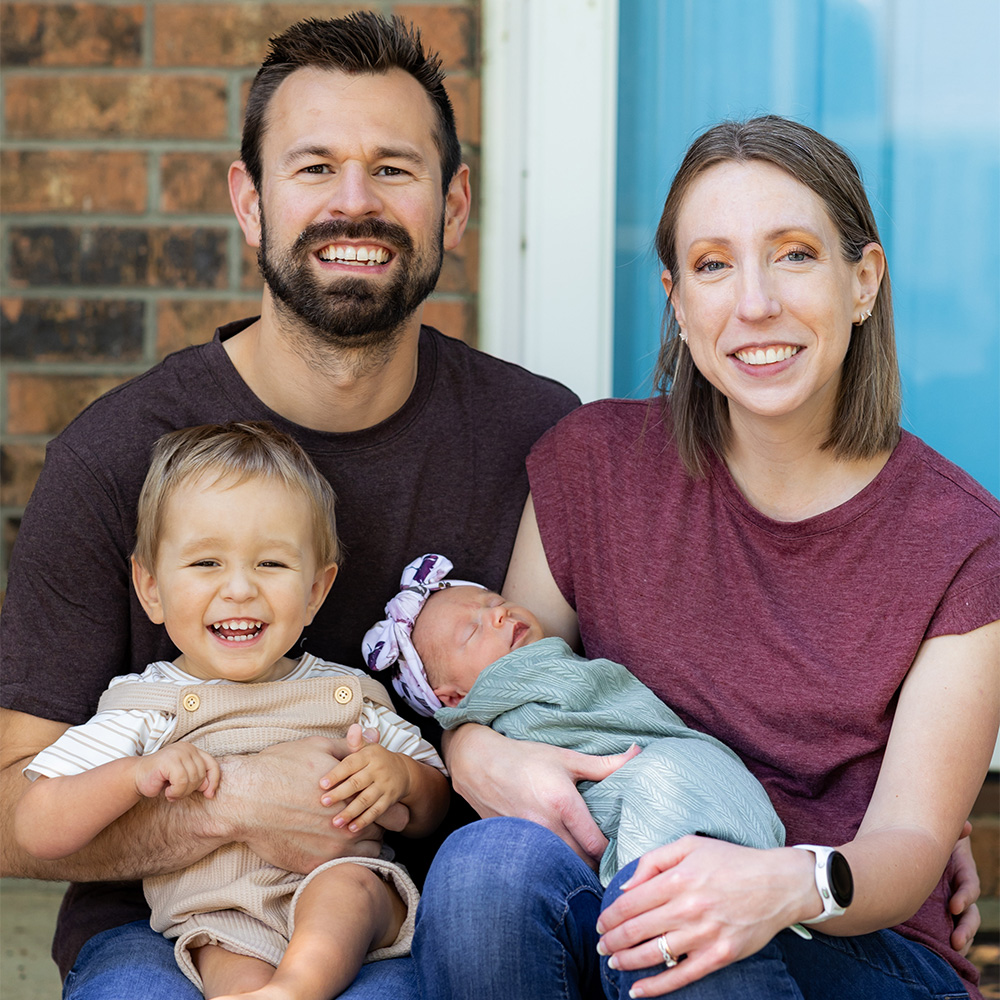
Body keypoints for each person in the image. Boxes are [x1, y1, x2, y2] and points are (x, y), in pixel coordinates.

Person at [0, 12, 582, 999]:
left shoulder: (538, 436)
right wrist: (230, 809)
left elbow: (647, 680)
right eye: (313, 167)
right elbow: (12, 808)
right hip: (162, 921)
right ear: (249, 200)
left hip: (400, 911)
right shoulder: (116, 454)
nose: (353, 204)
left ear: (453, 204)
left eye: (394, 168)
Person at [414, 116, 999, 1000]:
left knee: (685, 923)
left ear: (863, 281)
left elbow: (912, 846)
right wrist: (471, 750)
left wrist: (781, 882)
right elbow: (511, 685)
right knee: (488, 870)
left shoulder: (960, 541)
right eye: (714, 265)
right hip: (630, 892)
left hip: (848, 942)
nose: (754, 302)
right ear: (679, 302)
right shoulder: (594, 465)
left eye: (795, 253)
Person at [14, 422, 450, 1000]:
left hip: (341, 898)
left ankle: (297, 985)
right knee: (222, 951)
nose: (240, 589)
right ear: (150, 588)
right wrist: (129, 777)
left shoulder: (347, 694)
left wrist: (401, 779)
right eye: (205, 564)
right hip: (219, 921)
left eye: (271, 564)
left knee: (349, 889)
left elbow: (435, 804)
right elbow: (35, 825)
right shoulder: (145, 709)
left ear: (316, 590)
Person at [362, 552, 791, 890]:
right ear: (452, 698)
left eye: (495, 602)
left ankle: (657, 890)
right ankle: (649, 893)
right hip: (638, 796)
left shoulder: (563, 664)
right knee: (660, 784)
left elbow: (615, 705)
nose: (497, 615)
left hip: (681, 769)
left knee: (669, 774)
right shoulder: (495, 721)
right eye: (471, 632)